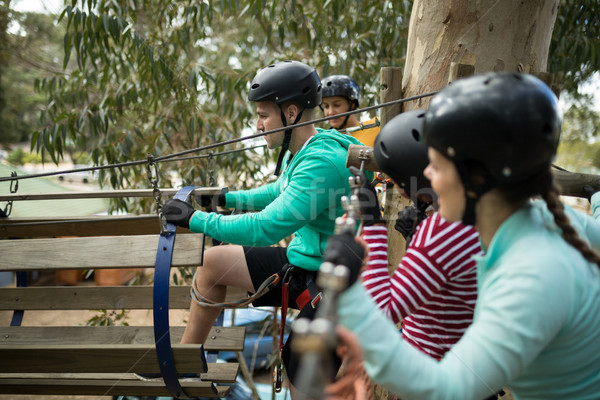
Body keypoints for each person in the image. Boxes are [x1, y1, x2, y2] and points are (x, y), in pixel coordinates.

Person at [327, 72, 600, 399]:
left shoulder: (528, 277)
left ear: (476, 179)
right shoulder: (556, 219)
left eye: (437, 166)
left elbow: (446, 389)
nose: (425, 175)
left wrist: (351, 285)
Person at [161, 60, 369, 393]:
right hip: (305, 264)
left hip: (334, 283)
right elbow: (279, 191)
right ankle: (185, 367)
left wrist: (194, 219)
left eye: (262, 115)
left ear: (290, 113)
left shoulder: (321, 161)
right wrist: (227, 199)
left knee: (302, 365)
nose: (258, 125)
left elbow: (267, 227)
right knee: (213, 265)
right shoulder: (303, 148)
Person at [351, 109, 482, 360]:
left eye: (399, 182)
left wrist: (373, 225)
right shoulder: (481, 213)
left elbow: (382, 313)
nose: (400, 192)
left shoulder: (441, 231)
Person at [321, 74, 380, 146]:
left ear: (352, 105)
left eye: (337, 105)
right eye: (326, 106)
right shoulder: (323, 139)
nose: (330, 112)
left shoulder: (375, 127)